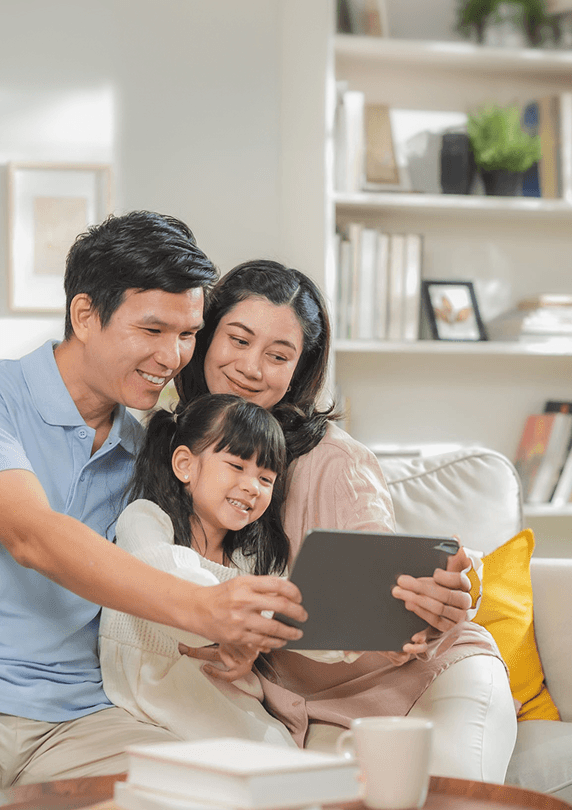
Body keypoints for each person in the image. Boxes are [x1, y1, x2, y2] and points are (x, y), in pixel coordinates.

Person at [0, 214, 306, 810]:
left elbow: (172, 565)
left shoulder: (150, 449)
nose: (173, 357)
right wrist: (205, 609)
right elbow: (33, 536)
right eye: (152, 329)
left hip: (73, 716)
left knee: (226, 796)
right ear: (85, 315)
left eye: (187, 333)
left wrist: (229, 631)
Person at [175, 259, 519, 783]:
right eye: (238, 340)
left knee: (448, 796)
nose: (251, 367)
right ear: (204, 339)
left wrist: (450, 592)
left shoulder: (334, 460)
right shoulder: (172, 451)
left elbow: (386, 572)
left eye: (278, 355)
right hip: (306, 707)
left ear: (299, 370)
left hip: (430, 678)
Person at [99, 393, 297, 746]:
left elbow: (291, 618)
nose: (253, 486)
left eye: (266, 479)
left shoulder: (250, 558)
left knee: (281, 755)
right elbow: (173, 580)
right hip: (161, 697)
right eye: (237, 466)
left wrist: (358, 643)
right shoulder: (145, 519)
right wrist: (241, 621)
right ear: (185, 465)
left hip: (232, 699)